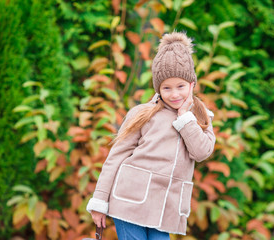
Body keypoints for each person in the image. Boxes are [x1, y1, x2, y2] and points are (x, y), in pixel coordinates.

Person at [86, 31, 216, 240]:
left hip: (165, 209)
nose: (174, 94)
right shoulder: (142, 114)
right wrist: (99, 202)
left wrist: (185, 118)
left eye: (180, 86)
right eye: (167, 88)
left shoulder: (201, 116)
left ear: (192, 84)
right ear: (158, 88)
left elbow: (202, 152)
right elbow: (115, 158)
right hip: (129, 202)